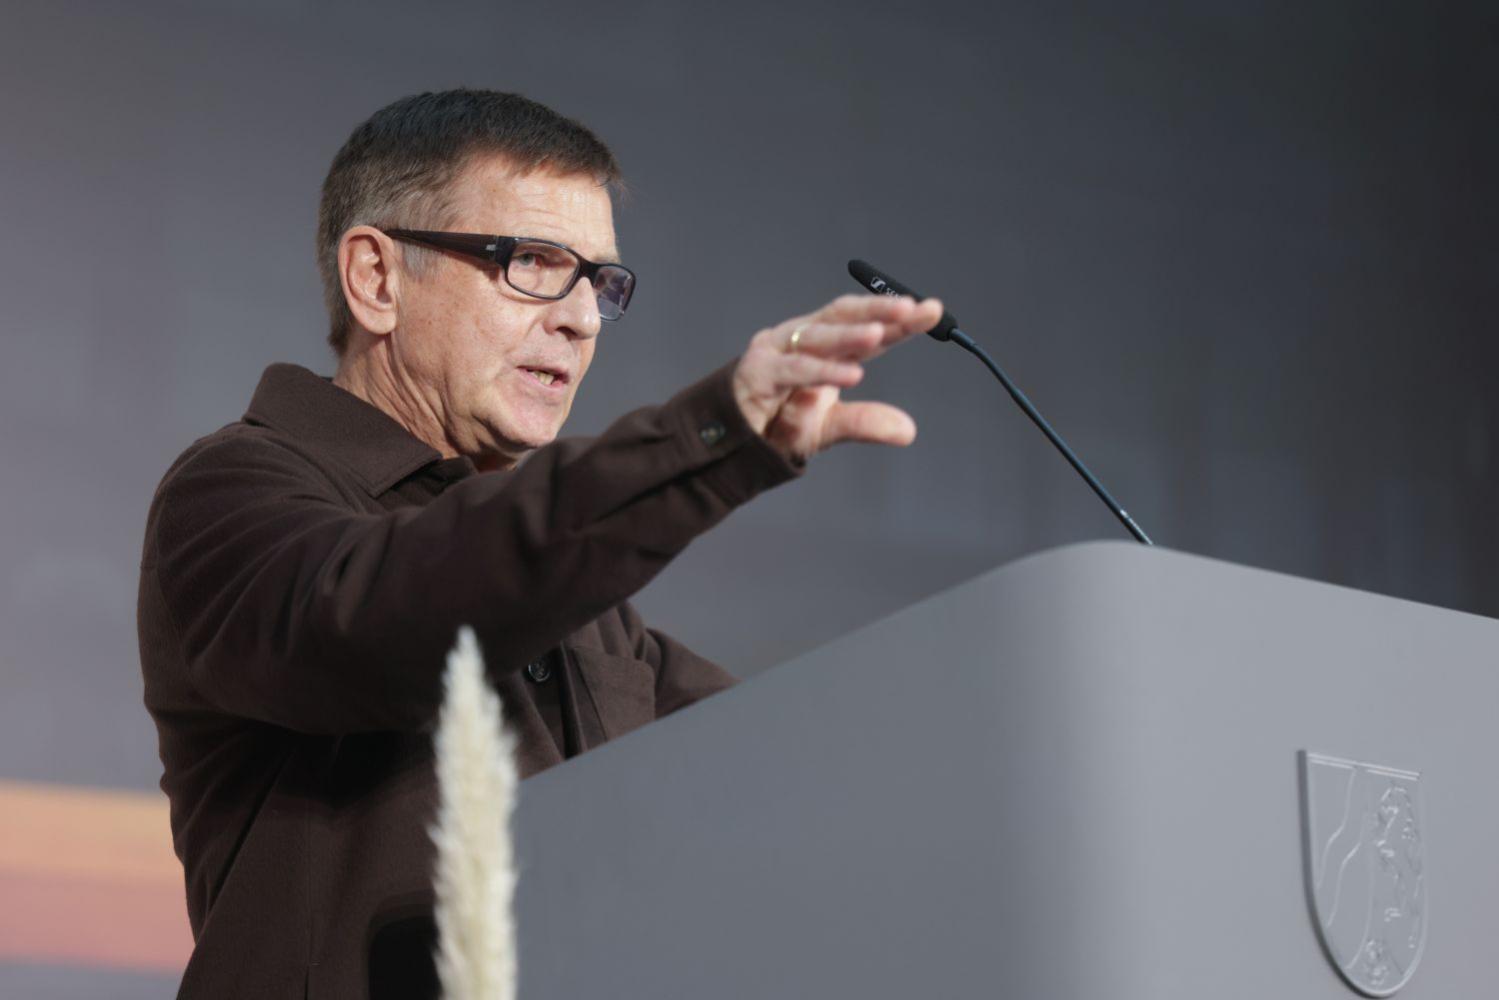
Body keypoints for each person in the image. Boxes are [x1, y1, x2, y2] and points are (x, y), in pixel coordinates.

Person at [137, 89, 941, 999]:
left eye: (597, 281)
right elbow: (392, 617)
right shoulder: (234, 492)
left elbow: (768, 766)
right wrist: (712, 437)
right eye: (532, 263)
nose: (581, 318)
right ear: (377, 278)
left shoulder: (587, 609)